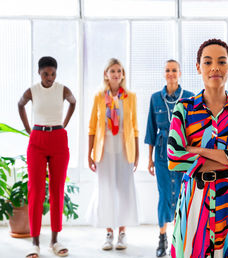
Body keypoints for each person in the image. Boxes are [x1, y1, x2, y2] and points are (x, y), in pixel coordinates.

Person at [167, 38, 228, 258]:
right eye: (208, 61)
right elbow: (174, 158)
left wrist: (196, 150)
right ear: (198, 67)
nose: (215, 68)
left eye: (222, 62)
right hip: (194, 200)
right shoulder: (184, 109)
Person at [18, 56, 76, 258]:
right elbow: (20, 104)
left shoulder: (62, 89)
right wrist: (28, 127)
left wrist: (64, 122)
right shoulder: (33, 90)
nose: (49, 77)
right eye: (45, 74)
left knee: (57, 189)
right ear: (39, 73)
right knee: (36, 190)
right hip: (37, 140)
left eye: (52, 73)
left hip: (59, 139)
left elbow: (73, 101)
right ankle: (34, 243)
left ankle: (54, 241)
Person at [87, 58, 139, 251]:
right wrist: (89, 153)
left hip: (125, 149)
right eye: (112, 71)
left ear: (123, 74)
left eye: (119, 71)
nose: (116, 74)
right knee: (106, 189)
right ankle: (109, 233)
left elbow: (134, 128)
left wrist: (137, 154)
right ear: (106, 74)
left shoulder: (130, 97)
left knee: (124, 190)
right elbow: (92, 126)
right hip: (104, 149)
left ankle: (122, 233)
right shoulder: (99, 97)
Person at [144, 59, 194, 257]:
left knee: (184, 196)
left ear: (180, 73)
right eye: (168, 70)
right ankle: (162, 238)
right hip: (162, 155)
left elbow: (194, 130)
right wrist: (150, 159)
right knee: (164, 195)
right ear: (164, 73)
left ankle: (181, 239)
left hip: (183, 153)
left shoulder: (189, 97)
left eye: (174, 70)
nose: (171, 73)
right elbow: (150, 129)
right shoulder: (155, 98)